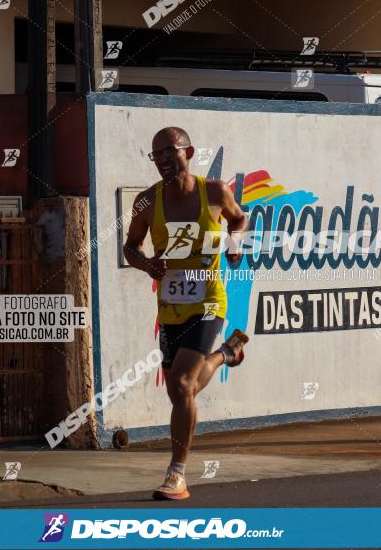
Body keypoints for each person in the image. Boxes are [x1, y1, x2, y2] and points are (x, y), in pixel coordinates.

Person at [123, 126, 250, 501]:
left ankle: (176, 475)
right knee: (185, 391)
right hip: (171, 307)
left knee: (180, 385)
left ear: (189, 151)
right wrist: (147, 265)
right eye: (156, 155)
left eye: (169, 152)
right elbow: (130, 247)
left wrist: (234, 243)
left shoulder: (214, 192)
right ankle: (227, 353)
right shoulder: (147, 202)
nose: (163, 160)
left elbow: (239, 219)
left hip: (209, 301)